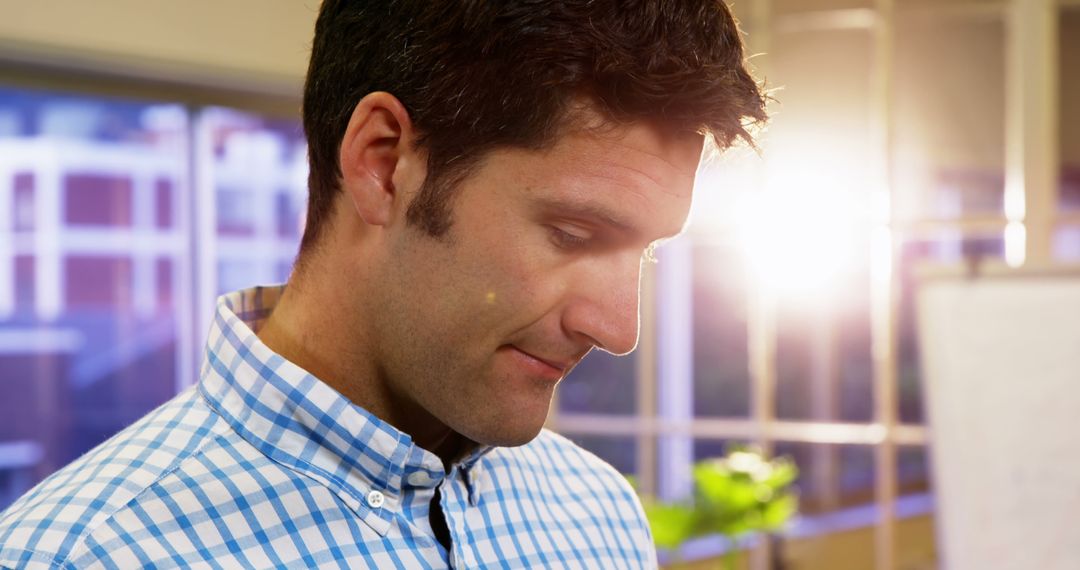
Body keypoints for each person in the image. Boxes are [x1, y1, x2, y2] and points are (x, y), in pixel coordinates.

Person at [0, 0, 766, 567]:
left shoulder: (597, 516)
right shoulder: (82, 555)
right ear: (383, 161)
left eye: (648, 252)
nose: (619, 328)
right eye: (573, 234)